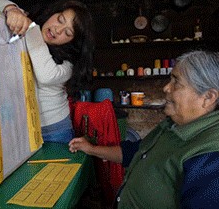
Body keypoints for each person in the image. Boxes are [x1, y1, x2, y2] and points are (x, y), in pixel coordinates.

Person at [70, 50, 219, 207]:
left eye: (176, 82)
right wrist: (91, 149)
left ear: (208, 97)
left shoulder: (211, 154)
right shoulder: (172, 125)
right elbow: (136, 152)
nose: (166, 88)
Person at [0, 0, 96, 143]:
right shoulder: (24, 24)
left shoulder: (68, 63)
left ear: (72, 41)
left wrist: (31, 28)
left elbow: (45, 76)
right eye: (60, 19)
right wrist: (10, 8)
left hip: (54, 130)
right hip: (20, 127)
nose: (57, 29)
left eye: (68, 33)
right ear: (54, 12)